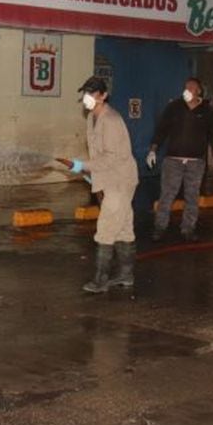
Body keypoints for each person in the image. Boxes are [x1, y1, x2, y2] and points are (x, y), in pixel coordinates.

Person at [67, 76, 139, 294]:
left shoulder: (112, 120)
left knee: (106, 229)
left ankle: (100, 279)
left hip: (120, 179)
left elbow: (112, 158)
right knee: (124, 228)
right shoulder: (92, 117)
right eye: (85, 92)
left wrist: (84, 166)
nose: (87, 97)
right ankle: (126, 275)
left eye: (92, 93)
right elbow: (98, 153)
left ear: (103, 95)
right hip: (109, 178)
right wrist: (93, 175)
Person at [147, 77, 213, 242]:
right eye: (185, 87)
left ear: (199, 92)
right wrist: (153, 150)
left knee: (192, 196)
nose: (187, 90)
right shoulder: (174, 107)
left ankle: (188, 229)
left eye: (191, 88)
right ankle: (160, 228)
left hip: (196, 162)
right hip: (173, 161)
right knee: (167, 195)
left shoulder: (207, 111)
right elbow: (162, 129)